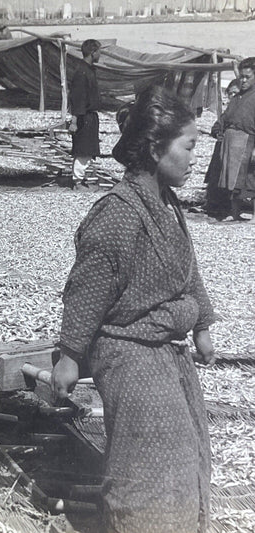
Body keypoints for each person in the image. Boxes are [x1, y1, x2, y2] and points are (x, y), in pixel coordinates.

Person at [53, 86, 216, 533]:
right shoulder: (118, 214)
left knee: (187, 449)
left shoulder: (166, 202)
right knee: (150, 458)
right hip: (127, 350)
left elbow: (188, 265)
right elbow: (86, 289)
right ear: (156, 147)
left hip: (166, 348)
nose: (193, 158)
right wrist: (69, 357)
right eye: (189, 147)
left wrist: (201, 323)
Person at [217, 57, 255, 222]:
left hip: (248, 141)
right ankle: (234, 213)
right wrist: (218, 129)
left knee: (249, 178)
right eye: (242, 77)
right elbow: (225, 117)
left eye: (248, 77)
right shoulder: (237, 97)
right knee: (232, 180)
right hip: (231, 143)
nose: (244, 80)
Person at [202, 78, 241, 217]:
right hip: (222, 149)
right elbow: (217, 125)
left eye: (235, 93)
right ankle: (214, 203)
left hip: (238, 151)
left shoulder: (245, 110)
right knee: (216, 175)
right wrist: (219, 132)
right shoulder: (228, 112)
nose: (231, 97)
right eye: (230, 93)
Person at [68, 39, 102, 185]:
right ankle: (77, 181)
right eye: (99, 51)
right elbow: (77, 98)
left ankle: (79, 179)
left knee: (88, 149)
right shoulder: (82, 73)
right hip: (84, 117)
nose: (100, 54)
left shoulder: (88, 70)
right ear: (93, 52)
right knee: (83, 150)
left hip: (89, 116)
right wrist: (74, 121)